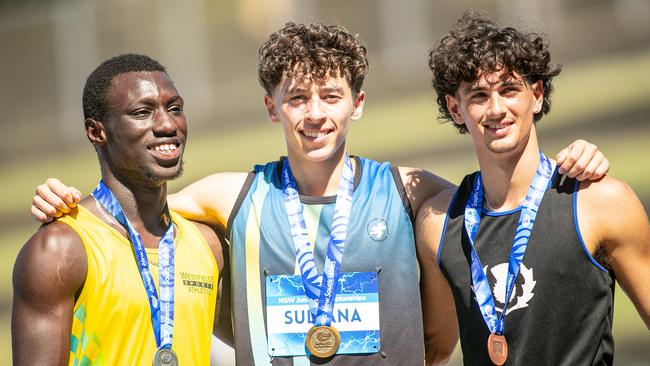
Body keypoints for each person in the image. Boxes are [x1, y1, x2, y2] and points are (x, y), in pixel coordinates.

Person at [28, 23, 609, 365]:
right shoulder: (229, 196)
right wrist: (66, 201)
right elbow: (126, 216)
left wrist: (574, 162)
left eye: (330, 97)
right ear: (271, 106)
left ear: (356, 104)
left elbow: (499, 221)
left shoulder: (412, 193)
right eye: (296, 98)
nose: (314, 115)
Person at [417, 13, 650, 365]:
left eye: (509, 89)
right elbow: (434, 351)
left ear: (536, 95)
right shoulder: (438, 226)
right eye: (479, 95)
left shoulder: (600, 201)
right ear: (456, 109)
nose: (496, 109)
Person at [12, 54, 226, 365]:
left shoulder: (208, 246)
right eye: (142, 112)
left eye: (175, 108)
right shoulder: (61, 250)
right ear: (96, 132)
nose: (168, 124)